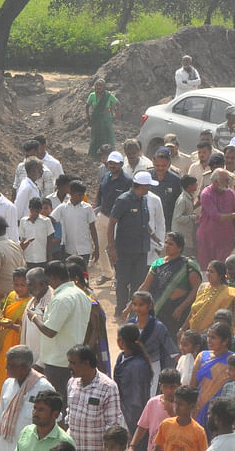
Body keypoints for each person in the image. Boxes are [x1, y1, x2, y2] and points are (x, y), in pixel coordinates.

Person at [26, 261, 91, 400]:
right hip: (72, 359)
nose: (49, 285)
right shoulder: (81, 294)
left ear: (54, 278)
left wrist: (34, 317)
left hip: (58, 363)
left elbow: (50, 331)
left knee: (56, 406)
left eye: (49, 281)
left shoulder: (61, 298)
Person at [64, 344, 124, 451]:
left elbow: (113, 427)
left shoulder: (107, 387)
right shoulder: (72, 383)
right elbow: (69, 417)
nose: (69, 366)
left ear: (86, 363)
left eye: (72, 363)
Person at [0, 345, 52, 451]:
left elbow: (52, 423)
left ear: (25, 368)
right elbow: (0, 418)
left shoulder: (43, 387)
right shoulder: (8, 384)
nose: (6, 368)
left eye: (11, 365)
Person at [107, 171, 155, 314]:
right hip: (125, 250)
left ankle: (134, 311)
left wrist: (153, 236)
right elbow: (111, 224)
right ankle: (121, 309)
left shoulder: (143, 199)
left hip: (141, 249)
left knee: (138, 282)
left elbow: (144, 222)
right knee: (123, 281)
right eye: (148, 186)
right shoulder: (124, 200)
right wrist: (112, 248)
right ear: (143, 186)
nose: (150, 188)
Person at [128, 367, 179, 451]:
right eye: (165, 386)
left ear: (179, 386)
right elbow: (142, 427)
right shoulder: (153, 403)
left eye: (173, 387)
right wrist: (132, 446)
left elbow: (183, 427)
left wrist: (171, 412)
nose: (169, 391)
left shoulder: (182, 406)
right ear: (160, 386)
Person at [140, 232, 201, 339]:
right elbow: (145, 285)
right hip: (157, 309)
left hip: (175, 313)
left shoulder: (187, 265)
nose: (166, 246)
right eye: (166, 243)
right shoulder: (157, 263)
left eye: (171, 244)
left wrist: (181, 308)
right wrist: (130, 306)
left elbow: (196, 288)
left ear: (179, 248)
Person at [0, 268, 32, 412]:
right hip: (5, 345)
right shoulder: (11, 296)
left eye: (23, 285)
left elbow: (29, 329)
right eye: (16, 284)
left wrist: (12, 326)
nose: (19, 288)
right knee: (2, 379)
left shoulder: (31, 303)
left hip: (19, 347)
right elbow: (3, 312)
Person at [112, 324, 152, 444]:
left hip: (133, 417)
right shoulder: (122, 357)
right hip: (122, 411)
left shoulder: (138, 366)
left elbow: (137, 399)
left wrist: (132, 428)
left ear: (121, 341)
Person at [185, 260, 235, 335]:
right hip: (193, 334)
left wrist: (205, 334)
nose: (208, 274)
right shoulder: (203, 287)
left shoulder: (229, 294)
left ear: (220, 275)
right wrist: (183, 328)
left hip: (214, 336)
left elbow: (225, 320)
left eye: (212, 272)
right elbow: (193, 311)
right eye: (207, 271)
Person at [85, 78, 120, 159]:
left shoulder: (108, 96)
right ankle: (94, 155)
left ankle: (110, 155)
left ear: (104, 87)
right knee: (95, 136)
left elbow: (118, 103)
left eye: (100, 86)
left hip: (106, 119)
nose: (98, 87)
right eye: (96, 86)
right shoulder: (92, 95)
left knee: (108, 135)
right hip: (96, 119)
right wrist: (87, 115)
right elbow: (87, 106)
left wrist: (117, 113)